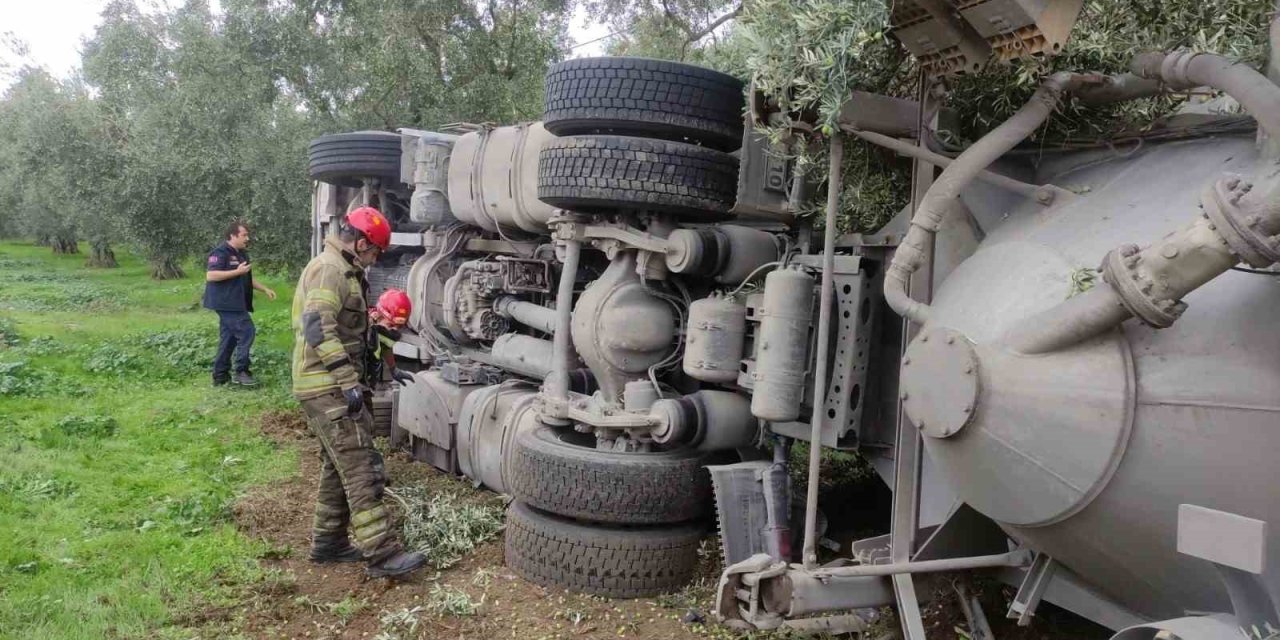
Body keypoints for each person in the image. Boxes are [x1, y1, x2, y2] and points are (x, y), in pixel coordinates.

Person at [290, 207, 426, 578]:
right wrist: (348, 382)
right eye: (375, 252)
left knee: (339, 467)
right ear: (361, 242)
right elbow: (319, 329)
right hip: (327, 386)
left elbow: (355, 331)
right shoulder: (330, 270)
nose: (376, 259)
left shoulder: (346, 270)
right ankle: (382, 553)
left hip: (328, 384)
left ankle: (328, 543)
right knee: (361, 467)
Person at [203, 221, 276, 387]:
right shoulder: (220, 252)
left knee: (228, 339)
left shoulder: (242, 254)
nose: (247, 238)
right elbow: (211, 275)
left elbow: (247, 277)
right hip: (225, 302)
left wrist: (264, 289)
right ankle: (241, 371)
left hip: (237, 301)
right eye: (244, 235)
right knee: (247, 331)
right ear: (232, 235)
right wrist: (237, 271)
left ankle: (220, 376)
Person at [367, 288, 417, 388]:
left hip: (368, 385)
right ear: (378, 315)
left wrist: (393, 369)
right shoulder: (361, 332)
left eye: (399, 327)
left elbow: (385, 344)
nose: (394, 330)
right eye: (390, 325)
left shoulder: (380, 330)